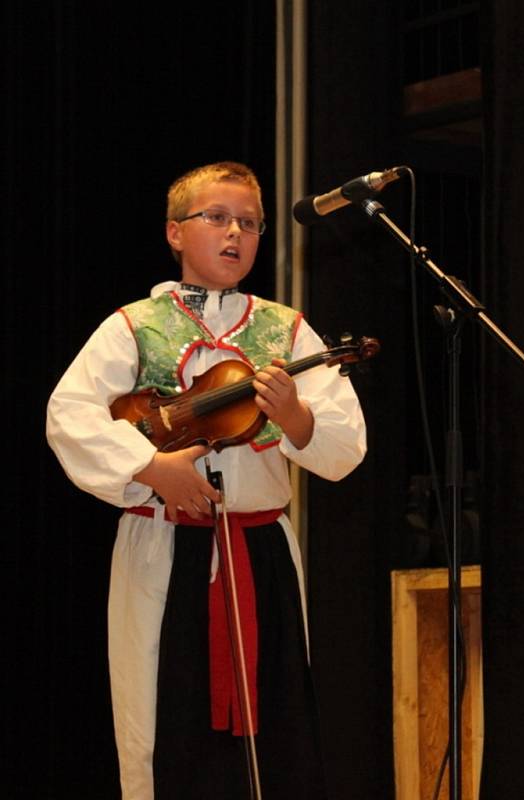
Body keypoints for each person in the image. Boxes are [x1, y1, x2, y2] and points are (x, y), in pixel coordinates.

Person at [46, 161, 367, 800]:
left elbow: (343, 444)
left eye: (249, 223)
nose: (235, 234)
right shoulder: (135, 323)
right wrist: (150, 467)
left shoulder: (287, 329)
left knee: (274, 727)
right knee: (166, 724)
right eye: (216, 218)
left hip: (261, 549)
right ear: (174, 232)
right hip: (165, 552)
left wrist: (296, 416)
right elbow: (69, 414)